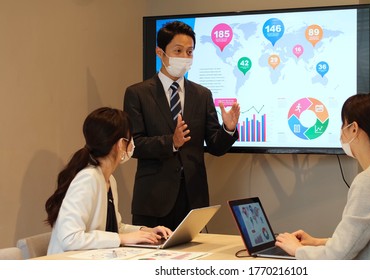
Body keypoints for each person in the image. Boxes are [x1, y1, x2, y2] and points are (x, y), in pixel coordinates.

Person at [123, 21, 240, 230]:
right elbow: (134, 145)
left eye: (189, 52)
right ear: (160, 52)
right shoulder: (137, 94)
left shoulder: (202, 94)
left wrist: (227, 129)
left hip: (193, 200)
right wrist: (171, 143)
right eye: (178, 51)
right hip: (153, 201)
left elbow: (215, 146)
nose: (185, 57)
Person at [275, 92, 370, 259]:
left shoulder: (369, 181)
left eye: (343, 124)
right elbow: (366, 240)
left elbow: (336, 257)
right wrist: (317, 242)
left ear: (353, 128)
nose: (341, 131)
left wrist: (296, 249)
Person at [45, 107, 172, 255]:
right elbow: (70, 238)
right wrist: (123, 238)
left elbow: (114, 227)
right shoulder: (88, 178)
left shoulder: (109, 179)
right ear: (120, 144)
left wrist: (145, 231)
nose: (132, 145)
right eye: (130, 139)